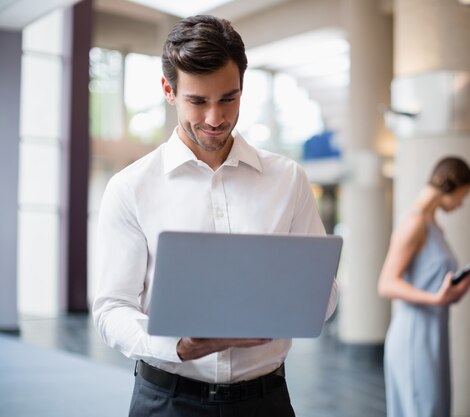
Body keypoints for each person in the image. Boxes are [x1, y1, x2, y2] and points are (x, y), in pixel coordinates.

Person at [92, 15, 337, 417]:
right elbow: (111, 308)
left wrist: (296, 306)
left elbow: (323, 296)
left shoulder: (288, 179)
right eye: (198, 101)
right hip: (167, 401)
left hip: (266, 401)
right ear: (168, 91)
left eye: (228, 98)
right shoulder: (131, 187)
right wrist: (176, 346)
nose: (214, 118)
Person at [378, 156, 470, 417]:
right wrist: (435, 299)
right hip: (414, 335)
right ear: (452, 185)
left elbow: (430, 281)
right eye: (463, 195)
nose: (461, 203)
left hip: (433, 333)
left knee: (434, 408)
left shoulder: (433, 224)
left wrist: (452, 293)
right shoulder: (414, 224)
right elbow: (386, 284)